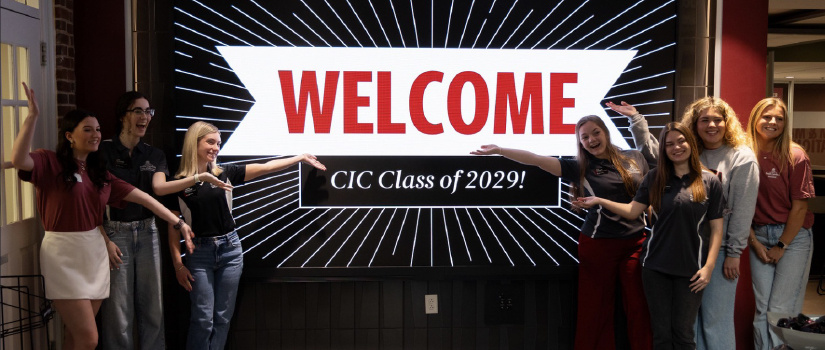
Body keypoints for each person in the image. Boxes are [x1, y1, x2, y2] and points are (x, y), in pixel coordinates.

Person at [9, 83, 194, 350]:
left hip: (94, 254)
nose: (96, 134)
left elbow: (145, 198)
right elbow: (18, 160)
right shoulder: (50, 162)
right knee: (89, 338)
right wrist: (32, 116)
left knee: (75, 337)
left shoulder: (99, 174)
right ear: (69, 135)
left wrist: (178, 222)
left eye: (97, 129)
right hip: (63, 255)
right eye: (87, 129)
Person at [472, 115, 652, 350]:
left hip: (635, 243)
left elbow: (649, 193)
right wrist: (500, 150)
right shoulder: (579, 167)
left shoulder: (634, 157)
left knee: (639, 306)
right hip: (599, 245)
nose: (591, 140)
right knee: (596, 309)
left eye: (595, 132)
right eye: (584, 137)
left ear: (605, 133)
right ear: (580, 143)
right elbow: (536, 160)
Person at [608, 98, 759, 350]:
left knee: (714, 321)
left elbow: (742, 209)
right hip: (679, 253)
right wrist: (636, 119)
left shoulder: (740, 157)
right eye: (704, 120)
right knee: (688, 327)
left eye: (717, 120)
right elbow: (656, 150)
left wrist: (733, 252)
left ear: (727, 123)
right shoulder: (684, 154)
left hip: (718, 251)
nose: (712, 125)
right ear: (694, 126)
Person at [168, 121, 326, 350]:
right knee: (203, 319)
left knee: (222, 318)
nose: (215, 148)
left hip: (230, 250)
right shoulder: (178, 183)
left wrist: (299, 157)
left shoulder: (225, 173)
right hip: (198, 254)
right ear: (194, 142)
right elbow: (173, 226)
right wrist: (177, 264)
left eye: (218, 143)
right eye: (210, 142)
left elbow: (266, 167)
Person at [98, 91, 231, 349]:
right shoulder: (103, 150)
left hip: (148, 231)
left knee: (153, 308)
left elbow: (159, 189)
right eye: (138, 111)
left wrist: (197, 179)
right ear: (123, 115)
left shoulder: (154, 155)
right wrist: (103, 237)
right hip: (115, 231)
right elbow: (92, 199)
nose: (145, 117)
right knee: (118, 310)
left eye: (148, 112)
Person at [575, 122, 725, 350]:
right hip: (655, 268)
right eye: (670, 144)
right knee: (661, 336)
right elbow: (632, 211)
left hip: (692, 271)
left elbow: (716, 229)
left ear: (691, 143)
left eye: (681, 141)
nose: (677, 147)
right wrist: (599, 201)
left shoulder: (710, 181)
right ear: (663, 149)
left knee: (684, 335)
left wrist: (709, 268)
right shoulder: (655, 178)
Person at [745, 97, 815, 350]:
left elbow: (800, 207)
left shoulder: (795, 155)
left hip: (792, 238)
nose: (772, 122)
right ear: (755, 119)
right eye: (767, 116)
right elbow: (738, 207)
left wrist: (781, 245)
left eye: (779, 118)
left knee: (781, 309)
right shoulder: (744, 153)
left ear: (785, 124)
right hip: (758, 235)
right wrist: (754, 242)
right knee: (762, 309)